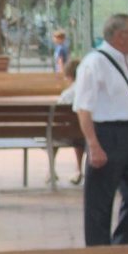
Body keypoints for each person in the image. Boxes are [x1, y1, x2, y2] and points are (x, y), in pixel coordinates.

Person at [73, 13, 128, 246]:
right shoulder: (94, 63)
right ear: (119, 36)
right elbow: (83, 108)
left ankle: (122, 247)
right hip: (106, 135)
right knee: (99, 202)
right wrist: (93, 145)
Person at [55, 57, 85, 185]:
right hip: (89, 133)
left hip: (68, 134)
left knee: (53, 133)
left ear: (69, 76)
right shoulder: (91, 91)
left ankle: (51, 170)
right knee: (78, 135)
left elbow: (57, 117)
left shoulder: (67, 94)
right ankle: (78, 169)